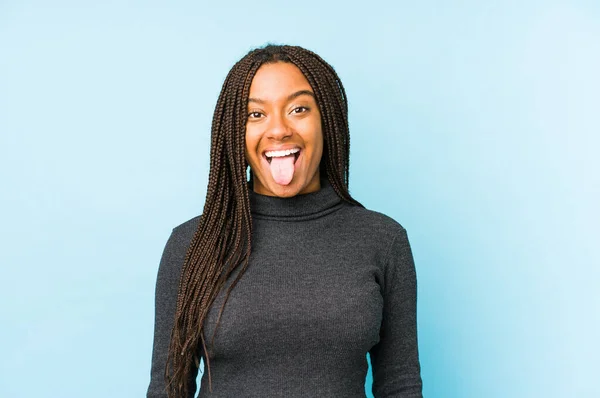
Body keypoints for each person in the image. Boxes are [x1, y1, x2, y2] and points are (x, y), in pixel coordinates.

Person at [147, 44, 423, 398]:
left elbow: (400, 385)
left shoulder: (383, 240)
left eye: (298, 109)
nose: (278, 129)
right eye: (255, 115)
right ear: (234, 133)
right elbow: (169, 389)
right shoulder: (192, 243)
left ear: (327, 120)